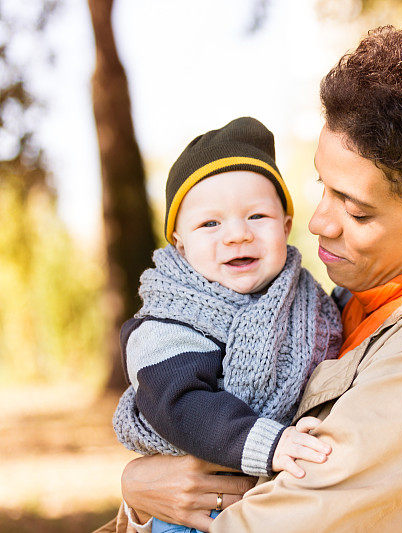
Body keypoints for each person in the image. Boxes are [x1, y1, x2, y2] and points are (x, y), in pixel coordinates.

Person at [97, 24, 402, 533]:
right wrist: (138, 496)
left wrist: (151, 489)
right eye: (321, 186)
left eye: (356, 211)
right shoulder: (345, 300)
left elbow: (279, 519)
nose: (317, 223)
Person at [110, 117, 342, 533]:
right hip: (190, 510)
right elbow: (179, 404)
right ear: (179, 244)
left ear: (286, 227)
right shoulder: (166, 323)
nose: (237, 235)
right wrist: (268, 442)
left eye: (257, 216)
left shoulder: (311, 305)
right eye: (209, 223)